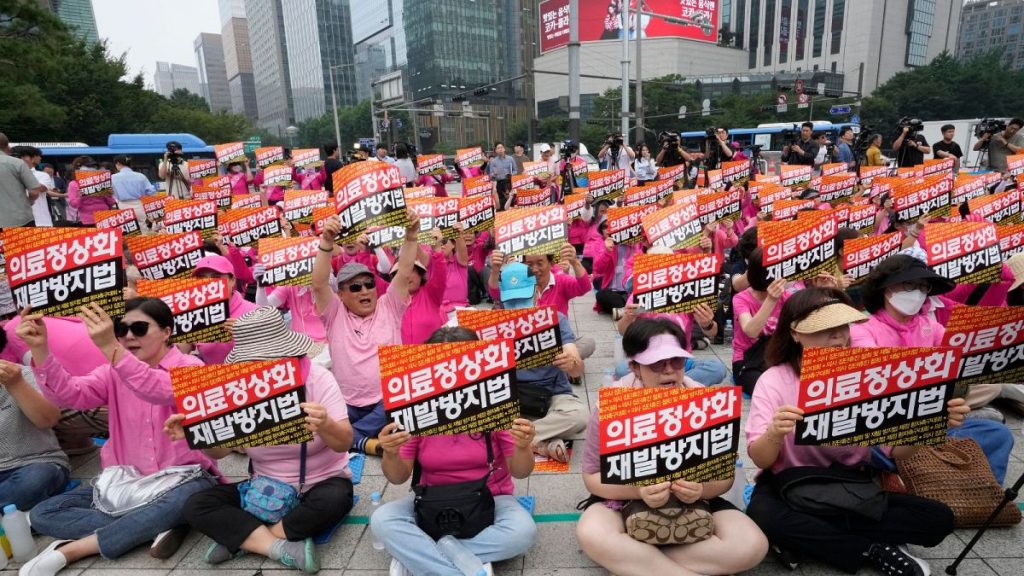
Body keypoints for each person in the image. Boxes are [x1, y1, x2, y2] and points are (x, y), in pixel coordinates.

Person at [745, 287, 969, 576]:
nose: (838, 337)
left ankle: (815, 539)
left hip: (851, 486)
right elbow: (761, 459)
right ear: (795, 334)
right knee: (762, 515)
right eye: (825, 328)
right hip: (786, 486)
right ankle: (871, 549)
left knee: (938, 518)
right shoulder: (773, 381)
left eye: (842, 327)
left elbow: (895, 452)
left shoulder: (867, 378)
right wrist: (774, 433)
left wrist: (930, 426)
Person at [17, 300, 220, 574]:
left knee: (193, 497)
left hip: (186, 476)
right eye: (121, 329)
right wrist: (40, 349)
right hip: (127, 480)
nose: (128, 336)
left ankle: (73, 549)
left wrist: (111, 347)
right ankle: (155, 524)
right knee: (43, 514)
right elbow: (70, 395)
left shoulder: (191, 366)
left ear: (167, 332)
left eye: (138, 327)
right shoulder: (112, 371)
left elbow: (157, 389)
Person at [577, 318, 768, 576]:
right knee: (591, 532)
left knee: (753, 545)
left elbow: (724, 477)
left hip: (696, 504)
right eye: (656, 363)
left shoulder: (708, 403)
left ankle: (638, 561)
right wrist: (638, 491)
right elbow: (592, 477)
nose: (669, 370)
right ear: (634, 366)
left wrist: (701, 488)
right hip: (623, 502)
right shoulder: (609, 408)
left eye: (676, 361)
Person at [170, 306, 354, 574]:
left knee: (336, 498)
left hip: (320, 482)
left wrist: (325, 424)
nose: (264, 367)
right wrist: (196, 434)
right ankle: (276, 546)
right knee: (196, 505)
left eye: (271, 358)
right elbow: (219, 453)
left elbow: (344, 442)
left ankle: (245, 540)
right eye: (255, 361)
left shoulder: (317, 378)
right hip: (263, 487)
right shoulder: (236, 388)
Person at [371, 326, 538, 576]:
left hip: (491, 498)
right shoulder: (418, 409)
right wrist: (391, 452)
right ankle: (460, 565)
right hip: (431, 499)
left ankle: (421, 557)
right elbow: (398, 477)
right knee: (382, 519)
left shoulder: (494, 404)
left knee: (523, 532)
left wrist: (523, 446)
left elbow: (521, 472)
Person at [312, 210, 421, 456]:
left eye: (369, 284)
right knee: (319, 418)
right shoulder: (334, 314)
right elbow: (319, 284)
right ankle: (365, 441)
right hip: (346, 402)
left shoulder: (389, 306)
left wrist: (411, 236)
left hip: (386, 401)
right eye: (355, 287)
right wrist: (327, 242)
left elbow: (403, 272)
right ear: (340, 294)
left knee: (328, 436)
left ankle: (351, 439)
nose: (365, 291)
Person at [496, 262, 586, 462]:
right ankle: (542, 442)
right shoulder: (492, 326)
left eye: (523, 298)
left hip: (552, 394)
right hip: (510, 397)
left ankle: (520, 439)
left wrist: (571, 363)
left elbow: (577, 369)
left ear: (536, 293)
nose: (518, 306)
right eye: (511, 301)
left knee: (579, 415)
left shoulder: (556, 319)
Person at [0, 360, 69, 511]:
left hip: (32, 463)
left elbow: (49, 419)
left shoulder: (21, 375)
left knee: (35, 480)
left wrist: (15, 384)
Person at [732, 248, 790, 395]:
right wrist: (771, 300)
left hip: (777, 357)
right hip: (748, 362)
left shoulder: (786, 297)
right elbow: (751, 331)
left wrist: (830, 290)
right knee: (767, 391)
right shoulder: (741, 299)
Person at [189, 254, 259, 365]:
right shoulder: (193, 316)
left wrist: (246, 337)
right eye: (201, 278)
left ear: (232, 281)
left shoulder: (256, 313)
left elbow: (275, 356)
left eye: (216, 277)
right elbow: (180, 353)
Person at [0, 132, 45, 228]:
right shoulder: (17, 163)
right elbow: (34, 191)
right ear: (7, 146)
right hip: (20, 220)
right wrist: (29, 202)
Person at [10, 146, 54, 227]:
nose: (40, 158)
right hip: (16, 222)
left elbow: (39, 189)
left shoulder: (43, 175)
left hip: (41, 222)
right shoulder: (9, 174)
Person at [67, 155, 117, 225]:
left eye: (93, 167)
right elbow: (73, 204)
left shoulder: (101, 181)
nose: (91, 169)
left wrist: (109, 195)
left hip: (104, 218)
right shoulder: (73, 184)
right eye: (88, 167)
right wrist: (80, 197)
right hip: (87, 220)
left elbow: (112, 203)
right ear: (79, 168)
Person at [111, 155, 156, 227]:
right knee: (143, 227)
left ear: (118, 163)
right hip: (139, 205)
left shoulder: (113, 177)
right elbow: (151, 192)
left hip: (122, 206)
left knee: (128, 230)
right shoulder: (140, 176)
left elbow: (110, 193)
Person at [487, 142, 515, 211]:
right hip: (499, 183)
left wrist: (512, 174)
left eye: (501, 147)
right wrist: (495, 174)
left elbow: (515, 170)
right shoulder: (493, 162)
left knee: (510, 200)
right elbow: (491, 176)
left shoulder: (510, 159)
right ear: (496, 151)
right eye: (498, 148)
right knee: (501, 202)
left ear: (504, 149)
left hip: (509, 182)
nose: (500, 149)